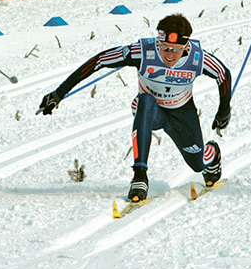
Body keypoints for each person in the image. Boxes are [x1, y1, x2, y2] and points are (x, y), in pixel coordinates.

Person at [37, 14, 232, 203]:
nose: (170, 55)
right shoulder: (142, 51)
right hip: (151, 111)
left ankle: (212, 154)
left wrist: (223, 112)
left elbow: (223, 74)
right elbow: (100, 60)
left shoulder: (198, 58)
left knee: (197, 164)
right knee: (144, 101)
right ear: (158, 42)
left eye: (176, 50)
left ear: (186, 46)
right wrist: (58, 93)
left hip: (182, 112)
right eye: (164, 48)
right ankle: (140, 175)